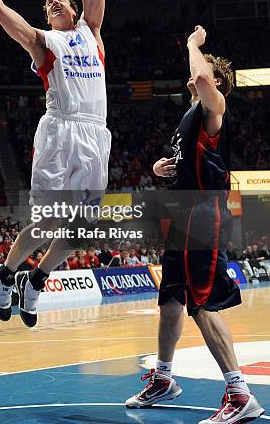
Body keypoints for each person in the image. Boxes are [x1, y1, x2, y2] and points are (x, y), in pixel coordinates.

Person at [0, 0, 111, 328]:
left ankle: (37, 278)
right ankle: (6, 272)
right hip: (61, 131)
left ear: (74, 8)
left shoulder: (92, 32)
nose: (53, 3)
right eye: (47, 4)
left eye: (59, 0)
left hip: (95, 132)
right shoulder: (42, 41)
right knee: (47, 221)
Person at [125, 27, 264, 423]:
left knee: (202, 304)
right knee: (171, 298)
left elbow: (202, 78)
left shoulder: (213, 105)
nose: (195, 75)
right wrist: (161, 168)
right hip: (184, 212)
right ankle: (164, 379)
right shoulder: (188, 118)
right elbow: (187, 163)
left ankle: (240, 394)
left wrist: (192, 45)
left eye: (204, 73)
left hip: (205, 213)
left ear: (218, 81)